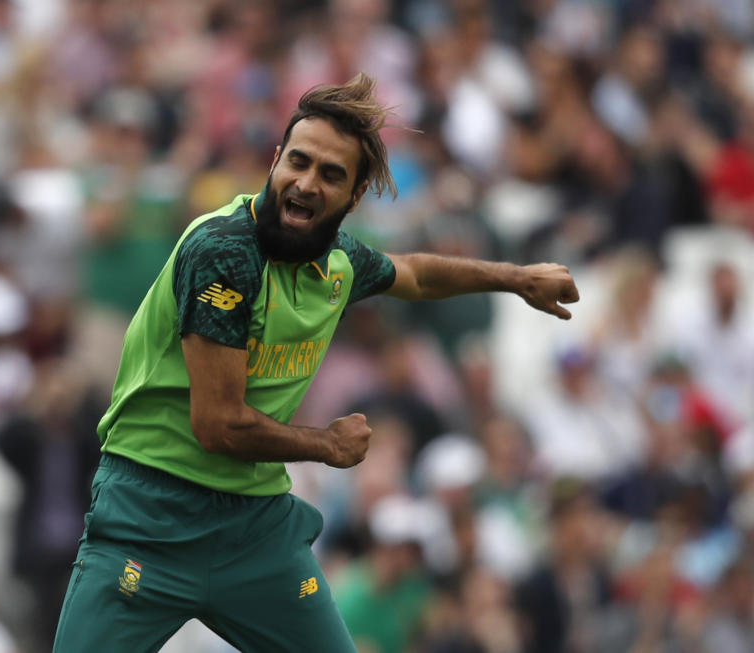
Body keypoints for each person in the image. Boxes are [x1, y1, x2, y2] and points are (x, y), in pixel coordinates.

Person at [52, 72, 579, 653]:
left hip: (253, 529)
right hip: (148, 514)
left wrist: (518, 278)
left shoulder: (337, 262)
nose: (306, 184)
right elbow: (218, 424)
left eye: (330, 175)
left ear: (353, 196)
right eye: (298, 163)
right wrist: (326, 445)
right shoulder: (225, 251)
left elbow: (416, 274)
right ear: (275, 160)